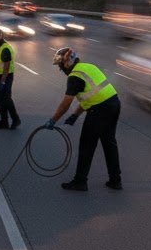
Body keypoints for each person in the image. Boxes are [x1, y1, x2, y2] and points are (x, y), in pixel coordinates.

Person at [46, 46, 122, 191]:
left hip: (99, 110)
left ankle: (80, 181)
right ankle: (115, 180)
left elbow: (66, 103)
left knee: (86, 145)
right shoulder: (88, 67)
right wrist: (75, 115)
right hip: (114, 104)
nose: (61, 69)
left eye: (61, 65)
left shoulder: (74, 76)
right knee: (109, 142)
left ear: (67, 62)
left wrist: (53, 120)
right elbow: (90, 95)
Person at [0, 26, 21, 130]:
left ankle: (16, 119)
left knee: (6, 100)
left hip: (5, 77)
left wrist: (2, 82)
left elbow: (6, 68)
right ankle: (4, 122)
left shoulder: (5, 49)